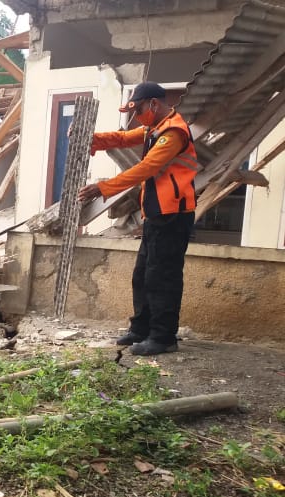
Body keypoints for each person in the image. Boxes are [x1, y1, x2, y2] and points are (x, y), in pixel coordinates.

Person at [78, 82, 199, 356]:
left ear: (153, 105)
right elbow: (121, 139)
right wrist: (92, 139)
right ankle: (141, 329)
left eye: (139, 110)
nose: (136, 118)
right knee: (143, 274)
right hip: (157, 215)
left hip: (173, 215)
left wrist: (104, 188)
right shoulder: (153, 128)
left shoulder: (173, 132)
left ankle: (163, 336)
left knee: (162, 277)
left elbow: (146, 168)